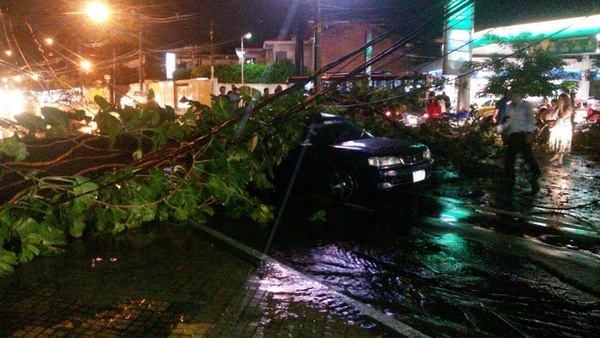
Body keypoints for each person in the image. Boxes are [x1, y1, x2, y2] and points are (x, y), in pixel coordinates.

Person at [502, 89, 542, 184]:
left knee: (521, 155)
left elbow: (530, 120)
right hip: (515, 134)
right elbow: (512, 120)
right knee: (515, 155)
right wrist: (504, 127)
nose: (512, 99)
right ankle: (511, 175)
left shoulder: (525, 106)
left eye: (513, 97)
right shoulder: (513, 106)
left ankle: (512, 176)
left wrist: (529, 132)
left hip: (522, 134)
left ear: (518, 96)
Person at [547, 93, 573, 166]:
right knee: (556, 141)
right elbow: (553, 116)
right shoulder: (558, 107)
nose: (560, 101)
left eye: (561, 99)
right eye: (559, 99)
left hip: (565, 128)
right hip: (558, 126)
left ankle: (560, 158)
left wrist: (561, 108)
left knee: (563, 143)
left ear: (565, 100)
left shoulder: (569, 108)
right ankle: (556, 154)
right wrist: (558, 108)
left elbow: (563, 116)